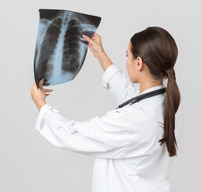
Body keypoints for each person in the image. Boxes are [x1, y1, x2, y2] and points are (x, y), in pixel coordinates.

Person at [30, 26, 183, 192]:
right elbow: (130, 97)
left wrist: (42, 106)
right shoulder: (170, 105)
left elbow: (73, 135)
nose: (126, 61)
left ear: (139, 63)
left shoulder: (130, 121)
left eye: (128, 56)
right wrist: (100, 54)